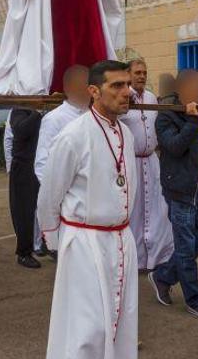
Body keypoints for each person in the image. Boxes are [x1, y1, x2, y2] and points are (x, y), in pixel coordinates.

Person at [38, 60, 137, 358]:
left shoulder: (126, 135)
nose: (126, 92)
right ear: (94, 91)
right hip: (84, 243)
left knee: (123, 319)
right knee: (87, 328)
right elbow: (50, 193)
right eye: (116, 86)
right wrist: (56, 241)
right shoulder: (73, 135)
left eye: (128, 85)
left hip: (121, 239)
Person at [148, 69, 198, 319]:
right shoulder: (166, 116)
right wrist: (192, 121)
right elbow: (173, 147)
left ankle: (162, 276)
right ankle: (195, 298)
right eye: (194, 88)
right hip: (182, 193)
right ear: (181, 89)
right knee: (185, 248)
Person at [120, 59, 174, 272]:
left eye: (144, 72)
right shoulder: (123, 98)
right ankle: (135, 259)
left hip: (152, 162)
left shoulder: (152, 97)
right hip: (131, 162)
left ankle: (156, 258)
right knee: (134, 212)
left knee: (157, 210)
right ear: (128, 74)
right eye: (137, 72)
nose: (141, 76)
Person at [34, 65, 90, 258]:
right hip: (70, 205)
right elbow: (42, 164)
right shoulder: (54, 119)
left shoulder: (92, 116)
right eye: (80, 85)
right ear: (68, 88)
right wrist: (62, 198)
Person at [8, 106, 44, 269]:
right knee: (24, 211)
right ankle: (24, 252)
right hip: (24, 166)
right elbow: (21, 131)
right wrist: (38, 113)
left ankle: (44, 243)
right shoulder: (20, 109)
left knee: (45, 207)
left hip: (42, 163)